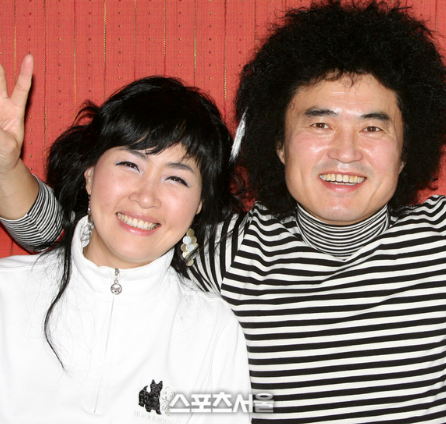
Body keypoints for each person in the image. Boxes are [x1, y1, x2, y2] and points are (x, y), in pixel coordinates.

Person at [2, 0, 446, 422]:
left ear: (406, 151)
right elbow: (89, 236)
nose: (345, 152)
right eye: (320, 123)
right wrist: (6, 169)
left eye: (372, 128)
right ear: (278, 144)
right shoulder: (230, 253)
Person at [0, 60, 252, 424]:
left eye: (176, 179)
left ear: (200, 204)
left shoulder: (213, 328)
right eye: (130, 165)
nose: (146, 197)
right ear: (90, 173)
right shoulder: (7, 291)